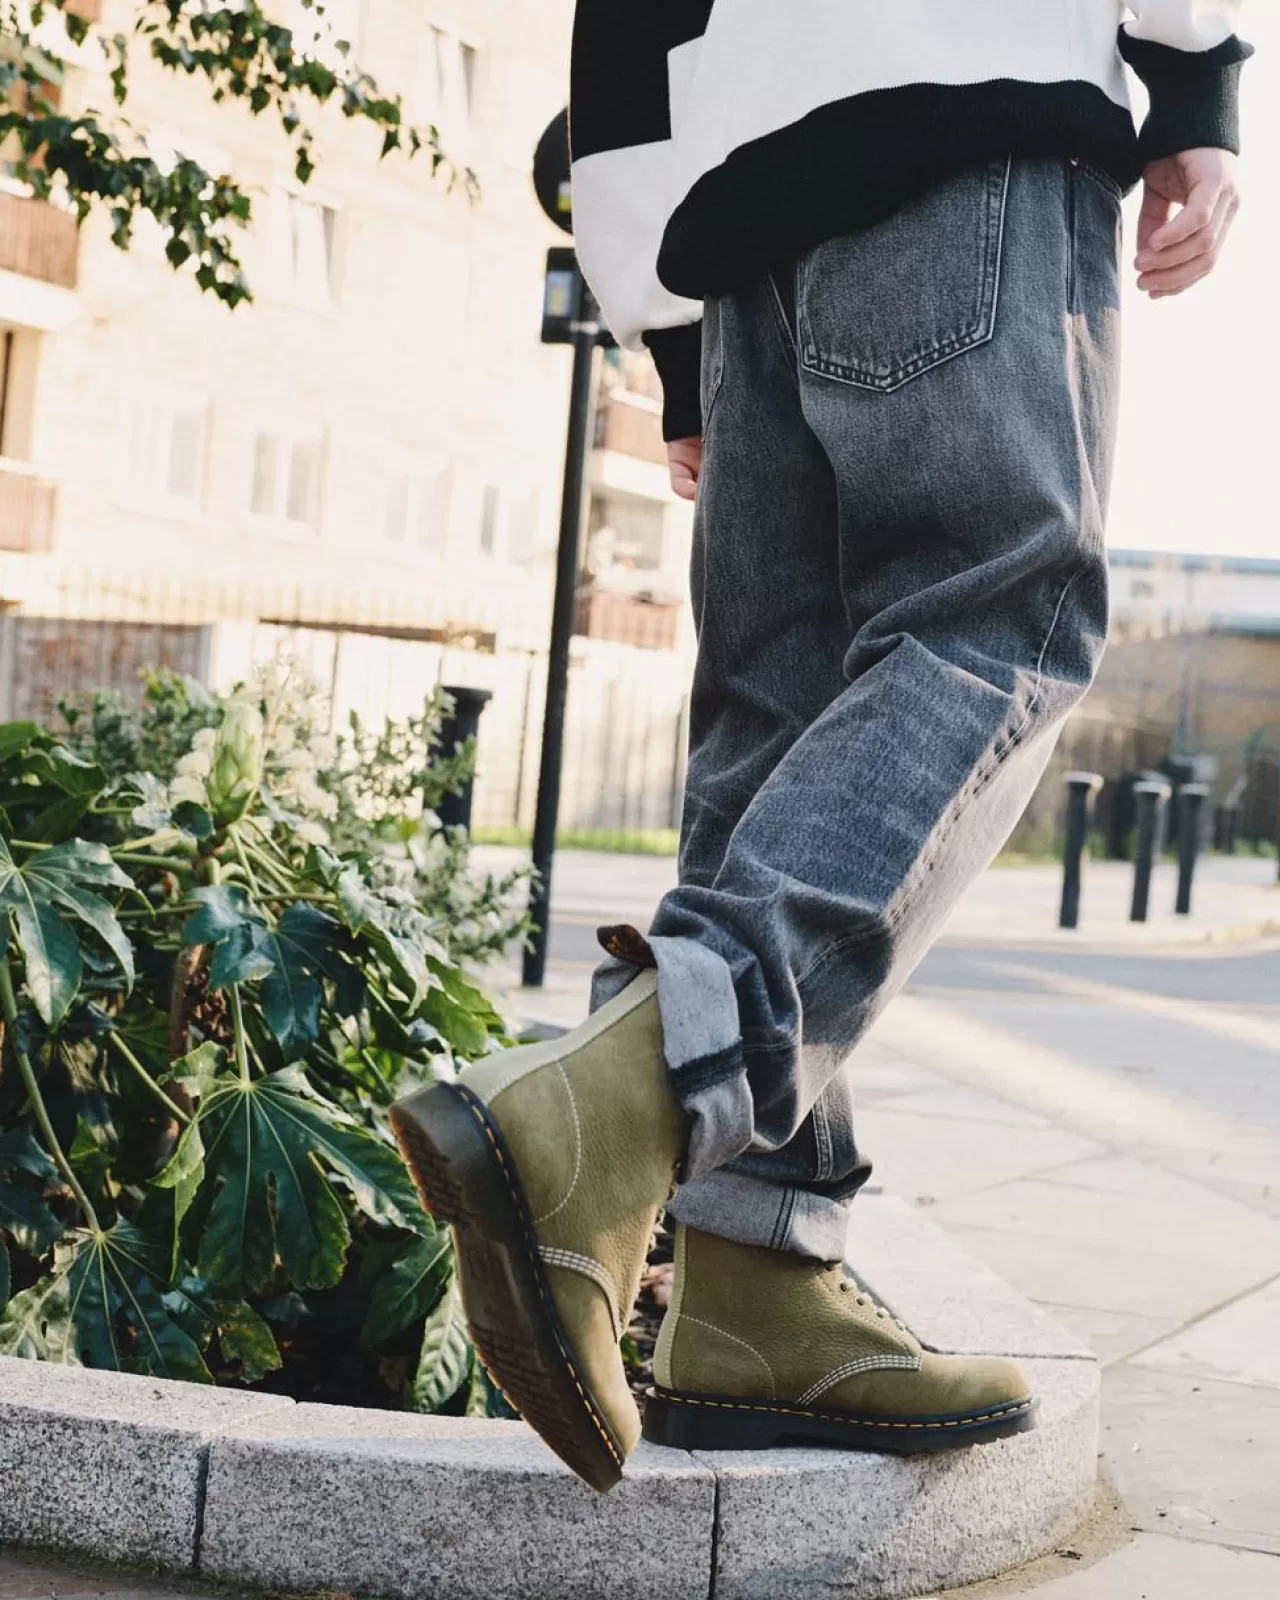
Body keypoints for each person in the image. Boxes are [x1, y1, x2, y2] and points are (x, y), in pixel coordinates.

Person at [392, 1, 1250, 1494]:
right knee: (1000, 617)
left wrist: (664, 323)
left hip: (731, 207)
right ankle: (628, 1092)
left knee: (773, 723)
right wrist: (1197, 71)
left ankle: (750, 1279)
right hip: (963, 106)